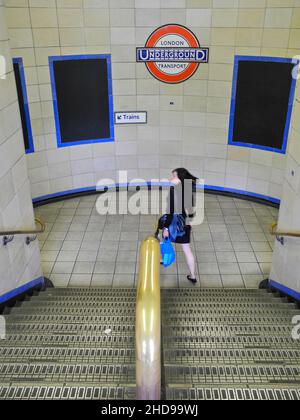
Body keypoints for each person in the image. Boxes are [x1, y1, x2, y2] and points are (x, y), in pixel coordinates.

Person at [157, 168, 198, 284]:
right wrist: (189, 221)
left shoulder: (173, 190)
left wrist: (165, 228)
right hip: (184, 222)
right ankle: (193, 275)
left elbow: (170, 212)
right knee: (187, 249)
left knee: (162, 237)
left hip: (174, 222)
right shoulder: (188, 189)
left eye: (173, 176)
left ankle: (164, 259)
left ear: (179, 178)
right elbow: (190, 209)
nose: (171, 178)